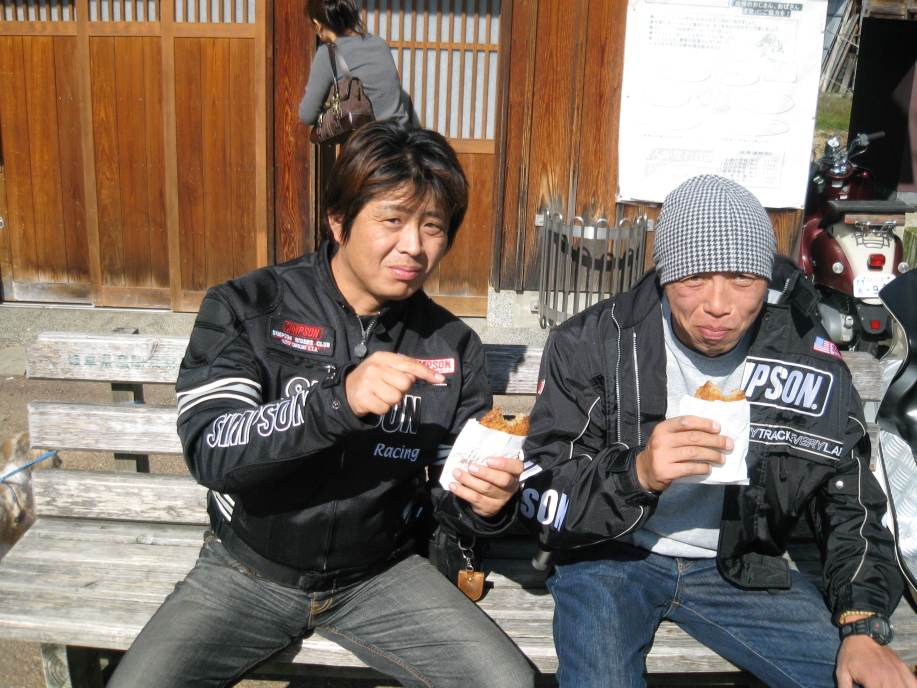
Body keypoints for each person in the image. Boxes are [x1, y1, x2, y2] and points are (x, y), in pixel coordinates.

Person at [107, 121, 534, 688]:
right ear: (338, 220)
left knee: (507, 682)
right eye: (392, 220)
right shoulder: (248, 307)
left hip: (380, 576)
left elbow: (451, 494)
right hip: (247, 570)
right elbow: (212, 450)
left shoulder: (450, 345)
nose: (414, 246)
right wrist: (336, 404)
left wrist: (489, 504)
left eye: (433, 226)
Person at [519, 174, 916, 688]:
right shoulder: (593, 342)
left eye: (742, 279)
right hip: (610, 558)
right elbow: (542, 493)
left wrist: (862, 624)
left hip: (741, 562)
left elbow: (848, 495)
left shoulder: (804, 353)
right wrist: (636, 474)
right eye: (694, 278)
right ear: (665, 274)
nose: (718, 305)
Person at [298, 0, 414, 129]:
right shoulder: (379, 43)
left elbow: (307, 115)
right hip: (401, 133)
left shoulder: (327, 53)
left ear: (318, 25)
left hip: (368, 138)